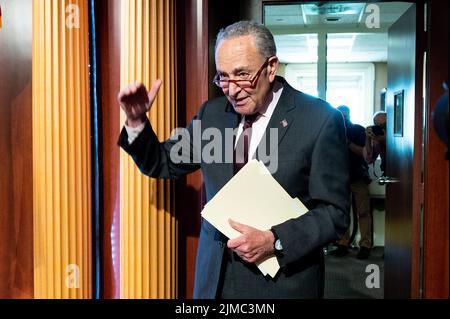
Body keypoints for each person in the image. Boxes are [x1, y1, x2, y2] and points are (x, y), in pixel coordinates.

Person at [117, 21, 349, 299]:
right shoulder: (212, 114)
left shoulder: (320, 119)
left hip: (282, 285)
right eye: (223, 77)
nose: (231, 89)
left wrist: (274, 241)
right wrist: (136, 121)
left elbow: (334, 214)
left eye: (242, 75)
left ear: (271, 67)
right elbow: (161, 162)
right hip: (214, 281)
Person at [333, 106, 372, 259]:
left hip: (357, 177)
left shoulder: (357, 130)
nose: (343, 118)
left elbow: (366, 154)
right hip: (340, 178)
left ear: (349, 115)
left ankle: (366, 245)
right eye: (340, 115)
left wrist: (348, 143)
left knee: (363, 212)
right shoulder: (333, 130)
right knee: (342, 213)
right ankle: (343, 244)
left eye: (345, 115)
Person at [364, 111, 387, 176]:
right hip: (387, 174)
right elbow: (369, 160)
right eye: (378, 126)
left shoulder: (397, 139)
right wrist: (368, 138)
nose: (381, 128)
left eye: (384, 125)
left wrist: (385, 140)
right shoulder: (378, 140)